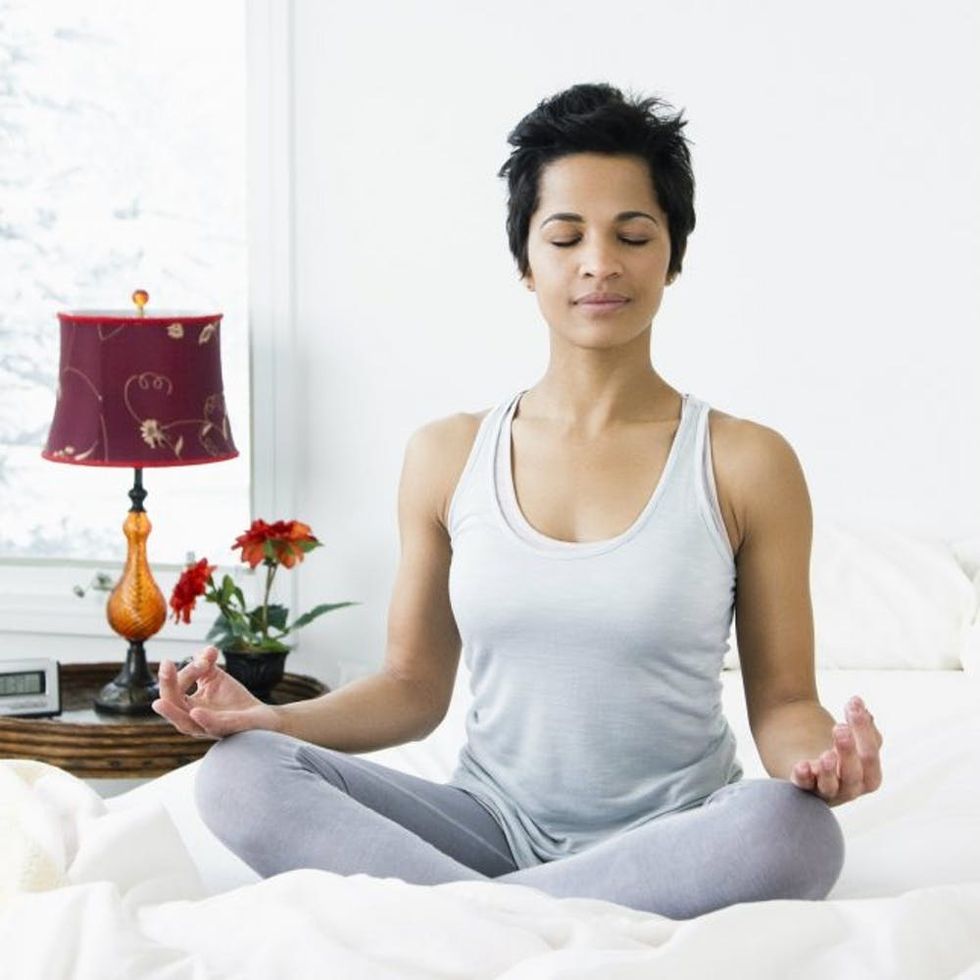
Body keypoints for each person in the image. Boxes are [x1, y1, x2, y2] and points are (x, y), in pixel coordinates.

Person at [152, 82, 884, 920]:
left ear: (673, 255)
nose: (598, 263)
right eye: (565, 236)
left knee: (793, 832)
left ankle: (473, 920)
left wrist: (821, 762)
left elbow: (786, 703)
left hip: (679, 834)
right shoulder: (447, 453)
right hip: (487, 824)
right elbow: (411, 686)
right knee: (242, 776)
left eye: (633, 235)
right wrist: (273, 724)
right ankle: (533, 913)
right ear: (525, 260)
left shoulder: (746, 461)